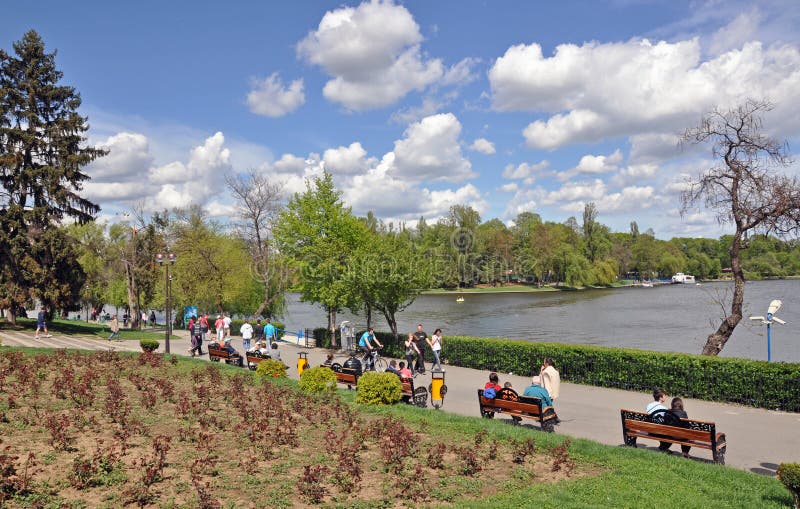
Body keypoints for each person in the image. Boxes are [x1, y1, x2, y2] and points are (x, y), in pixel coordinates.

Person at [646, 388, 672, 453]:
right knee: (670, 431)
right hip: (658, 431)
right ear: (660, 397)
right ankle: (663, 447)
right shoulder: (664, 409)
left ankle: (663, 447)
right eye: (664, 395)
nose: (665, 397)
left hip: (649, 430)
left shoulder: (649, 405)